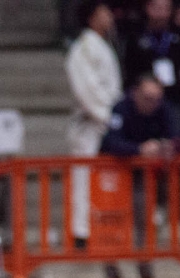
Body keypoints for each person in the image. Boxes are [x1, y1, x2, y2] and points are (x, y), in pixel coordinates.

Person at [66, 2, 122, 246]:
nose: (109, 17)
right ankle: (81, 233)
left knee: (107, 178)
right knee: (83, 177)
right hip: (90, 123)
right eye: (103, 13)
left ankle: (106, 226)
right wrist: (108, 116)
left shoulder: (104, 45)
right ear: (91, 18)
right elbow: (86, 89)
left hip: (108, 120)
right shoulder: (83, 48)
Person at [126, 0, 180, 116]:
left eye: (166, 8)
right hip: (146, 95)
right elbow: (130, 67)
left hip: (175, 94)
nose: (161, 13)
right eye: (157, 8)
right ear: (147, 7)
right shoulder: (136, 35)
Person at [101, 73, 180, 157]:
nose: (152, 104)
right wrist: (139, 149)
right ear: (135, 93)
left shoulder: (164, 108)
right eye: (148, 98)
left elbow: (177, 138)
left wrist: (166, 146)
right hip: (126, 161)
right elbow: (112, 142)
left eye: (157, 100)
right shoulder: (120, 109)